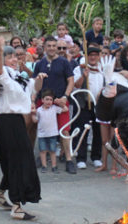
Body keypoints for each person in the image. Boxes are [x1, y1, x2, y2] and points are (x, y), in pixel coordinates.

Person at [0, 37, 43, 220]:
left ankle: (0, 195)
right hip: (7, 123)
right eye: (10, 57)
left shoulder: (19, 77)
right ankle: (17, 207)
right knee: (19, 163)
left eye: (16, 57)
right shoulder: (3, 75)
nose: (14, 60)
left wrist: (40, 79)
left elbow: (34, 89)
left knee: (14, 162)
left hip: (17, 122)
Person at [32, 36, 76, 174]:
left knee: (65, 130)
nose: (51, 48)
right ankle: (41, 156)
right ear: (45, 47)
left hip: (60, 101)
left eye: (53, 45)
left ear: (56, 47)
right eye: (49, 45)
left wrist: (65, 96)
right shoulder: (39, 64)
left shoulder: (64, 62)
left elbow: (71, 81)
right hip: (43, 101)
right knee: (42, 129)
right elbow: (35, 86)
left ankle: (69, 159)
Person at [72, 46, 104, 169]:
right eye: (90, 55)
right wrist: (84, 76)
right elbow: (76, 86)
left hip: (99, 106)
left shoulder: (102, 70)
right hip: (84, 105)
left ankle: (96, 157)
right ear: (86, 57)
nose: (93, 57)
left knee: (98, 132)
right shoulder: (78, 69)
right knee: (82, 131)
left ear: (98, 57)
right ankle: (81, 158)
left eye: (95, 55)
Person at [33, 89, 67, 173]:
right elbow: (35, 120)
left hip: (52, 134)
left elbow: (65, 109)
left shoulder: (54, 108)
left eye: (51, 100)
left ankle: (54, 166)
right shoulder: (39, 110)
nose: (49, 101)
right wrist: (32, 113)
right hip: (42, 135)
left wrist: (59, 102)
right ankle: (44, 166)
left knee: (53, 151)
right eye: (47, 99)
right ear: (42, 100)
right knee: (43, 151)